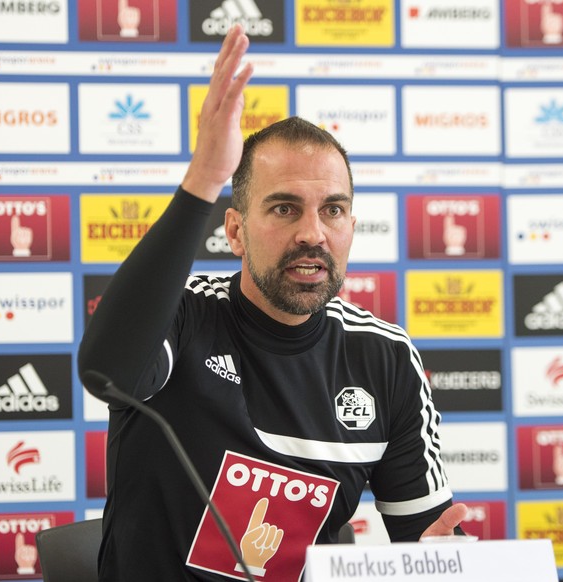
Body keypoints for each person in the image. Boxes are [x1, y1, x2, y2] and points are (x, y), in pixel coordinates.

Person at [78, 24, 468, 581]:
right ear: (234, 231)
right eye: (285, 208)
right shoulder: (184, 316)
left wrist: (440, 561)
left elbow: (424, 533)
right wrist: (204, 179)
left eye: (333, 210)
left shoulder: (385, 358)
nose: (313, 233)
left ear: (352, 226)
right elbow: (105, 369)